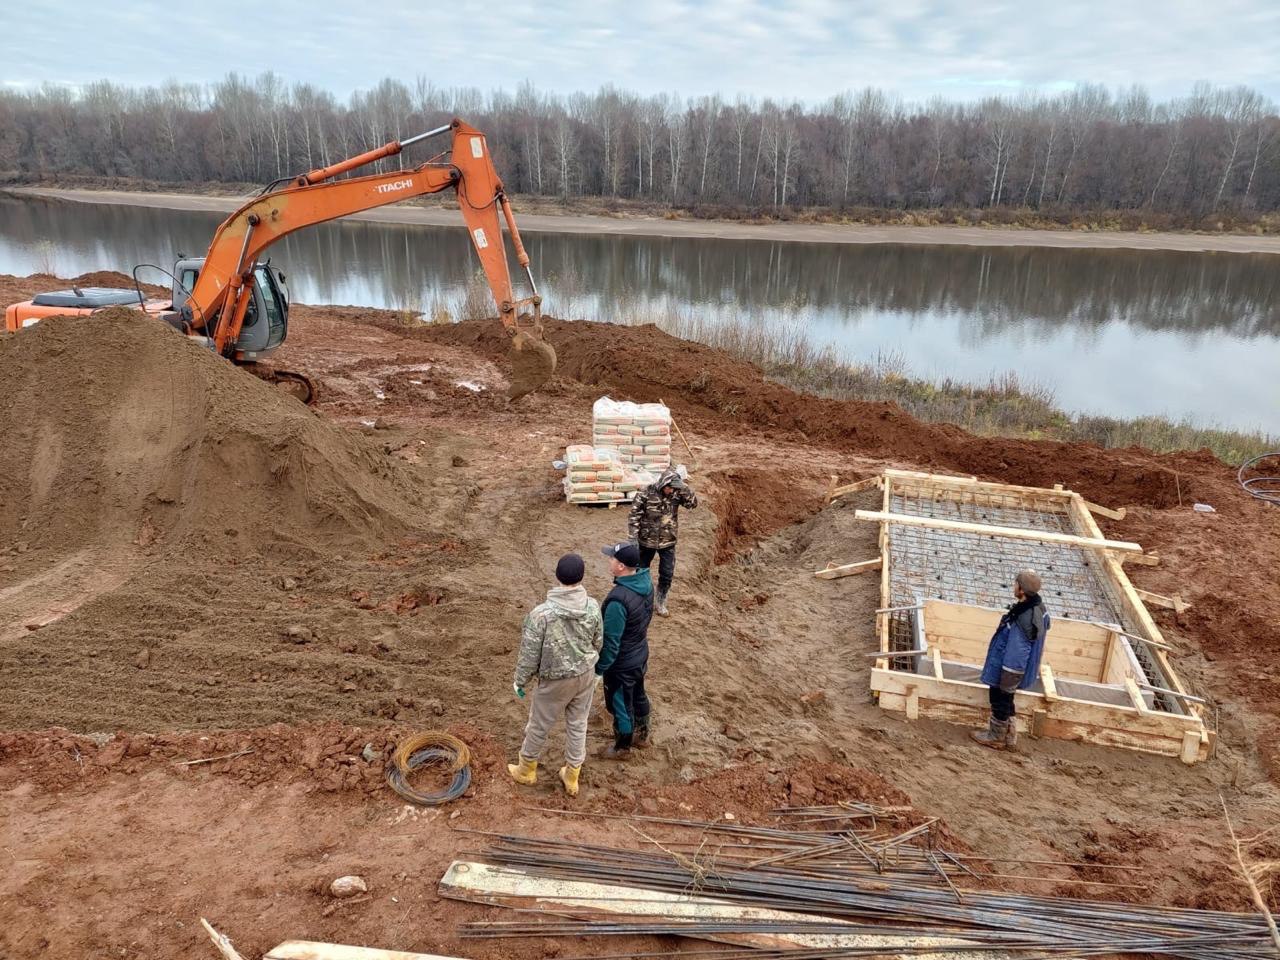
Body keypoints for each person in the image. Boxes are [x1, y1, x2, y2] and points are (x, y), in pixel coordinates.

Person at [507, 553, 603, 797]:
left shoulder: (541, 615)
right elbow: (598, 640)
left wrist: (520, 680)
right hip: (585, 675)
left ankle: (527, 769)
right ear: (582, 576)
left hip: (555, 681)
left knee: (539, 724)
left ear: (557, 576)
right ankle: (572, 775)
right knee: (578, 724)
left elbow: (529, 654)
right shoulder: (592, 606)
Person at [971, 569, 1051, 750]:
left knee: (1000, 698)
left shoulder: (1024, 619)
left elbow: (1018, 652)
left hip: (1009, 668)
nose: (1013, 586)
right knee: (1007, 699)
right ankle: (1009, 735)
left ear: (1021, 590)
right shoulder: (1038, 609)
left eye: (1016, 584)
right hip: (1014, 667)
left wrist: (1009, 676)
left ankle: (996, 736)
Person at [596, 541, 655, 759]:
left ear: (621, 566)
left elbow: (612, 643)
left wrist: (600, 669)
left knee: (620, 703)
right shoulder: (645, 582)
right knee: (638, 694)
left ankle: (622, 747)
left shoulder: (618, 600)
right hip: (639, 652)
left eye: (612, 558)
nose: (609, 561)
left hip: (622, 663)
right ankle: (643, 734)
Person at [628, 466, 697, 616]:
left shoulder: (677, 493)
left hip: (668, 541)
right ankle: (640, 600)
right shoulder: (646, 493)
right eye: (669, 488)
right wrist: (633, 537)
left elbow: (693, 504)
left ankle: (660, 601)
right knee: (640, 571)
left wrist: (684, 488)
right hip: (646, 540)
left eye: (673, 488)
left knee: (666, 574)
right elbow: (634, 515)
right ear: (662, 484)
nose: (671, 491)